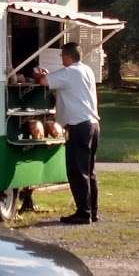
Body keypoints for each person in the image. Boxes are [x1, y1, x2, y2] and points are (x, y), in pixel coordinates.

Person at [34, 42, 100, 225]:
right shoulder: (86, 70)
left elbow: (43, 81)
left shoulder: (69, 72)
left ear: (68, 56)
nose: (61, 58)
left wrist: (39, 74)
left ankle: (83, 213)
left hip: (78, 126)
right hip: (93, 124)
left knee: (76, 171)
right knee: (89, 171)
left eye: (62, 55)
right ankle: (92, 211)